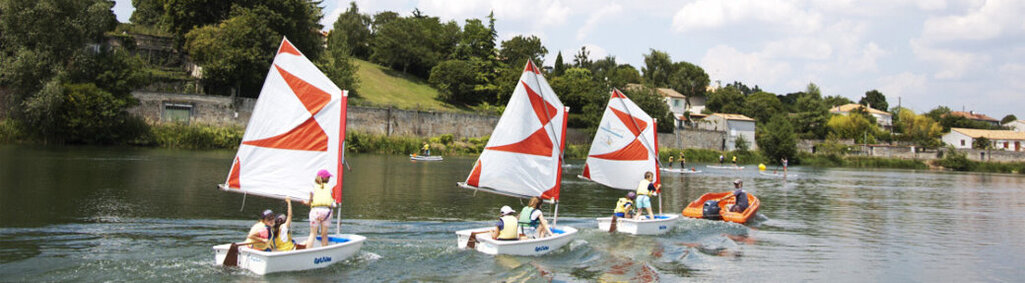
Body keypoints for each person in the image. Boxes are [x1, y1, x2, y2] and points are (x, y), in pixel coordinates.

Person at [304, 169, 335, 248]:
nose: (329, 179)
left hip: (315, 211)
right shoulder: (329, 188)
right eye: (328, 177)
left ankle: (308, 251)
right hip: (326, 212)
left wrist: (304, 203)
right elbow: (331, 200)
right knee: (324, 234)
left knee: (313, 234)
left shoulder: (313, 187)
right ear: (325, 178)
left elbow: (310, 202)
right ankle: (324, 251)